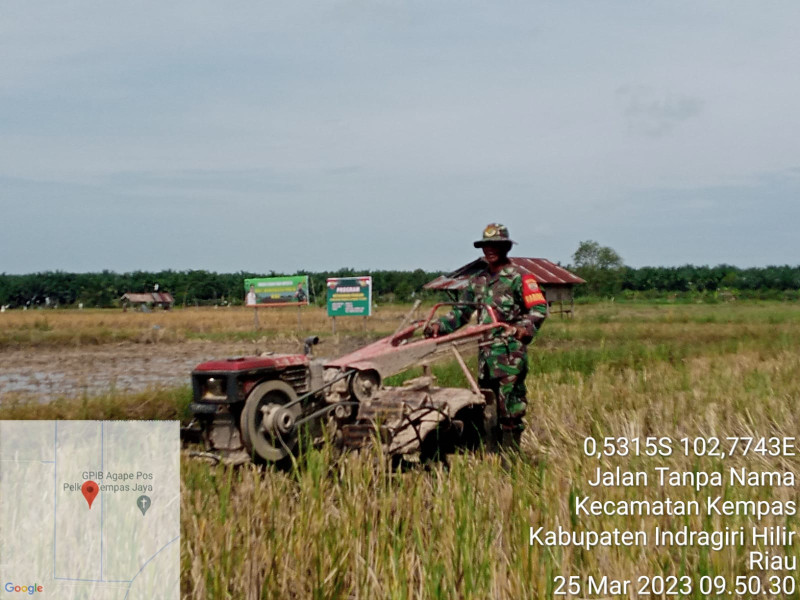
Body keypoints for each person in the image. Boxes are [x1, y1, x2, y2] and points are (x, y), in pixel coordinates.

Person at [424, 223, 548, 447]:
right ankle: (490, 453)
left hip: (510, 354)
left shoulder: (520, 277)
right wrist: (438, 326)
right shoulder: (478, 280)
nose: (489, 250)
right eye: (485, 246)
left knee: (510, 406)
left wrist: (521, 328)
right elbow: (461, 312)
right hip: (486, 355)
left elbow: (539, 309)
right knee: (486, 406)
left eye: (495, 246)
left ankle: (510, 458)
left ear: (506, 248)